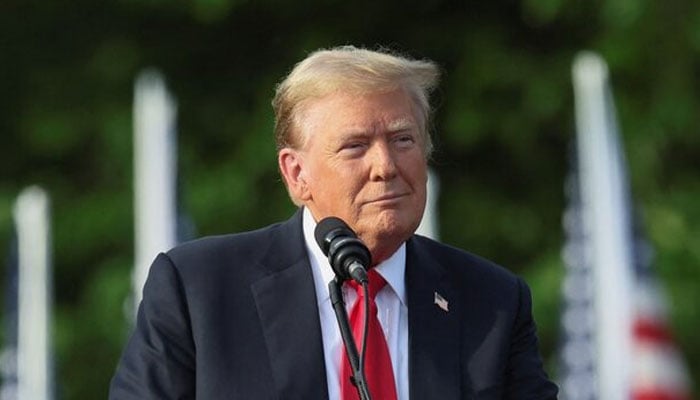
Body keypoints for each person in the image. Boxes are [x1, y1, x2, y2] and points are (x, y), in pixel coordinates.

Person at [109, 45, 558, 399]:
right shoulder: (199, 289)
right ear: (297, 174)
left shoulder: (491, 301)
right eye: (355, 147)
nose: (385, 165)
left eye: (403, 139)